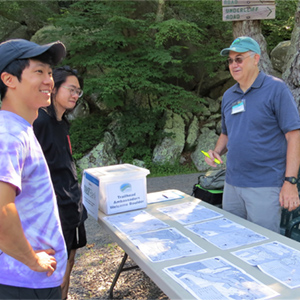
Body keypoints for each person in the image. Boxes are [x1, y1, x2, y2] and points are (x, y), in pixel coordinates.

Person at [204, 36, 300, 233]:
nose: (233, 64)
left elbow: (294, 136)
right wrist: (217, 151)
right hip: (231, 185)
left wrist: (290, 182)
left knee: (264, 246)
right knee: (233, 240)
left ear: (256, 59)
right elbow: (226, 133)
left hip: (264, 185)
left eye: (239, 59)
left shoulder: (276, 89)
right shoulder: (229, 95)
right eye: (230, 60)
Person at [0, 39, 67, 299]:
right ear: (9, 79)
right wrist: (32, 260)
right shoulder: (7, 135)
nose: (49, 80)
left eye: (50, 73)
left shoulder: (21, 129)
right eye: (39, 71)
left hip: (30, 281)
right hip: (21, 284)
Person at [33, 66, 88, 299]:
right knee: (53, 271)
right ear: (54, 88)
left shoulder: (61, 122)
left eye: (79, 91)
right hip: (52, 212)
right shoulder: (39, 122)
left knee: (70, 261)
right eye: (71, 89)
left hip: (72, 207)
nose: (76, 95)